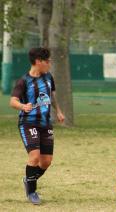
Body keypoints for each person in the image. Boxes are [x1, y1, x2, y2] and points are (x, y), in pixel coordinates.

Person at [9, 47, 65, 205]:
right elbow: (12, 101)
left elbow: (51, 96)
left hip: (45, 124)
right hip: (28, 123)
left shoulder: (48, 77)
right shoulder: (23, 81)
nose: (50, 64)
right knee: (34, 157)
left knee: (46, 161)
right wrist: (22, 106)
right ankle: (32, 192)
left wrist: (59, 111)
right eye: (47, 61)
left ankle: (28, 179)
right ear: (38, 62)